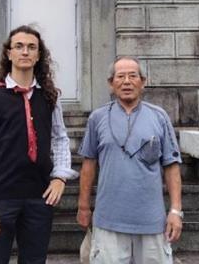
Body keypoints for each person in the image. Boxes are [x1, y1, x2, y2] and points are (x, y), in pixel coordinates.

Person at [0, 25, 78, 264]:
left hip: (40, 197)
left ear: (38, 56)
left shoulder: (50, 96)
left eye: (31, 47)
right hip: (1, 198)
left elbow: (60, 137)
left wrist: (59, 177)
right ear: (9, 53)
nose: (25, 51)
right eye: (19, 46)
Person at [76, 56, 183, 264]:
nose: (126, 81)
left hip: (152, 222)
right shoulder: (97, 118)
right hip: (108, 221)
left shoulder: (159, 117)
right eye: (120, 76)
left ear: (142, 82)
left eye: (133, 76)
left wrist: (176, 211)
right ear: (111, 83)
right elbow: (88, 165)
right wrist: (83, 207)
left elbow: (171, 166)